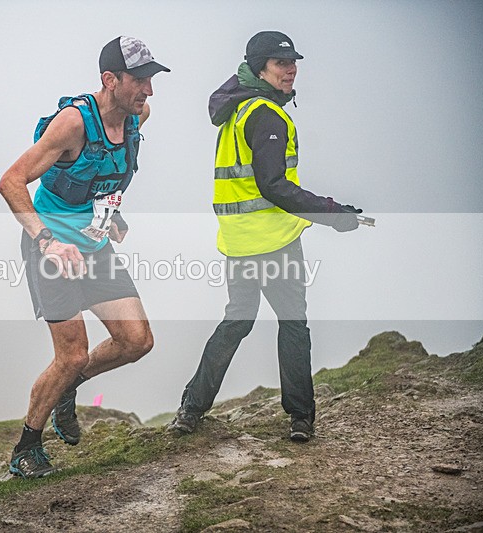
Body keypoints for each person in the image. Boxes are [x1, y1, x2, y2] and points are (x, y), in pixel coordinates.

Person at [168, 31, 363, 442]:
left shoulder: (237, 110)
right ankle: (301, 418)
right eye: (280, 63)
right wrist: (333, 213)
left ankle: (191, 408)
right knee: (293, 324)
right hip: (275, 242)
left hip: (238, 242)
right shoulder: (267, 116)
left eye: (293, 62)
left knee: (237, 321)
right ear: (260, 68)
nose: (290, 69)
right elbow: (274, 185)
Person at [0, 36, 169, 478]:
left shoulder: (136, 116)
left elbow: (102, 175)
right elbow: (11, 181)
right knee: (71, 355)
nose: (148, 91)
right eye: (139, 81)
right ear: (109, 80)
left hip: (94, 246)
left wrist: (113, 213)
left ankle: (69, 390)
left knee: (137, 341)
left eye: (151, 80)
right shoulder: (72, 124)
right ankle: (26, 447)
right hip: (52, 250)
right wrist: (47, 241)